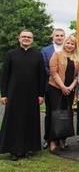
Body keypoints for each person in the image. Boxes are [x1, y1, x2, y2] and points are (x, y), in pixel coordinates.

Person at [0, 30, 46, 161]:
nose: (26, 39)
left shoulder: (37, 56)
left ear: (32, 40)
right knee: (13, 121)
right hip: (14, 94)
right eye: (24, 37)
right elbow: (4, 76)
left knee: (29, 120)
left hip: (32, 94)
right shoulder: (11, 54)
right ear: (19, 39)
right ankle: (13, 150)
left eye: (29, 37)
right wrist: (4, 94)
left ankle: (26, 148)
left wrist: (40, 94)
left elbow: (41, 77)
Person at [48, 35, 79, 155]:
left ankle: (63, 141)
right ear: (64, 43)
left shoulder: (77, 58)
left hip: (70, 90)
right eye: (68, 43)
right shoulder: (57, 55)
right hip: (56, 88)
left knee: (66, 114)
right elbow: (53, 72)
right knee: (56, 114)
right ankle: (52, 142)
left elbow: (78, 75)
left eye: (72, 44)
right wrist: (62, 86)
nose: (70, 45)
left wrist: (71, 87)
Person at [41, 28, 65, 149]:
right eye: (57, 36)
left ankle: (61, 139)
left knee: (63, 114)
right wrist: (56, 79)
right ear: (53, 37)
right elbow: (44, 66)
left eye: (61, 35)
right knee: (50, 113)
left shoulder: (68, 50)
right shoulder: (45, 51)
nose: (59, 37)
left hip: (65, 88)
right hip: (51, 86)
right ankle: (48, 138)